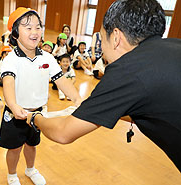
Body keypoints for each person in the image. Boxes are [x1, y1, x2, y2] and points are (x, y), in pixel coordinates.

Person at [26, 0, 181, 173]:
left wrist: (34, 118)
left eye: (101, 38)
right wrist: (96, 108)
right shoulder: (174, 45)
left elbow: (63, 133)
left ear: (115, 37)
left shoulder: (128, 69)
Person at [0, 7, 82, 185]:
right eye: (28, 28)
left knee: (32, 144)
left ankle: (30, 169)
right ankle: (12, 176)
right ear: (15, 33)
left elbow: (62, 81)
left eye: (38, 27)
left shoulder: (48, 58)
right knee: (14, 147)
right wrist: (13, 105)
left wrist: (77, 99)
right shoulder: (11, 60)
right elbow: (8, 84)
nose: (35, 32)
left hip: (38, 113)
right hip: (16, 113)